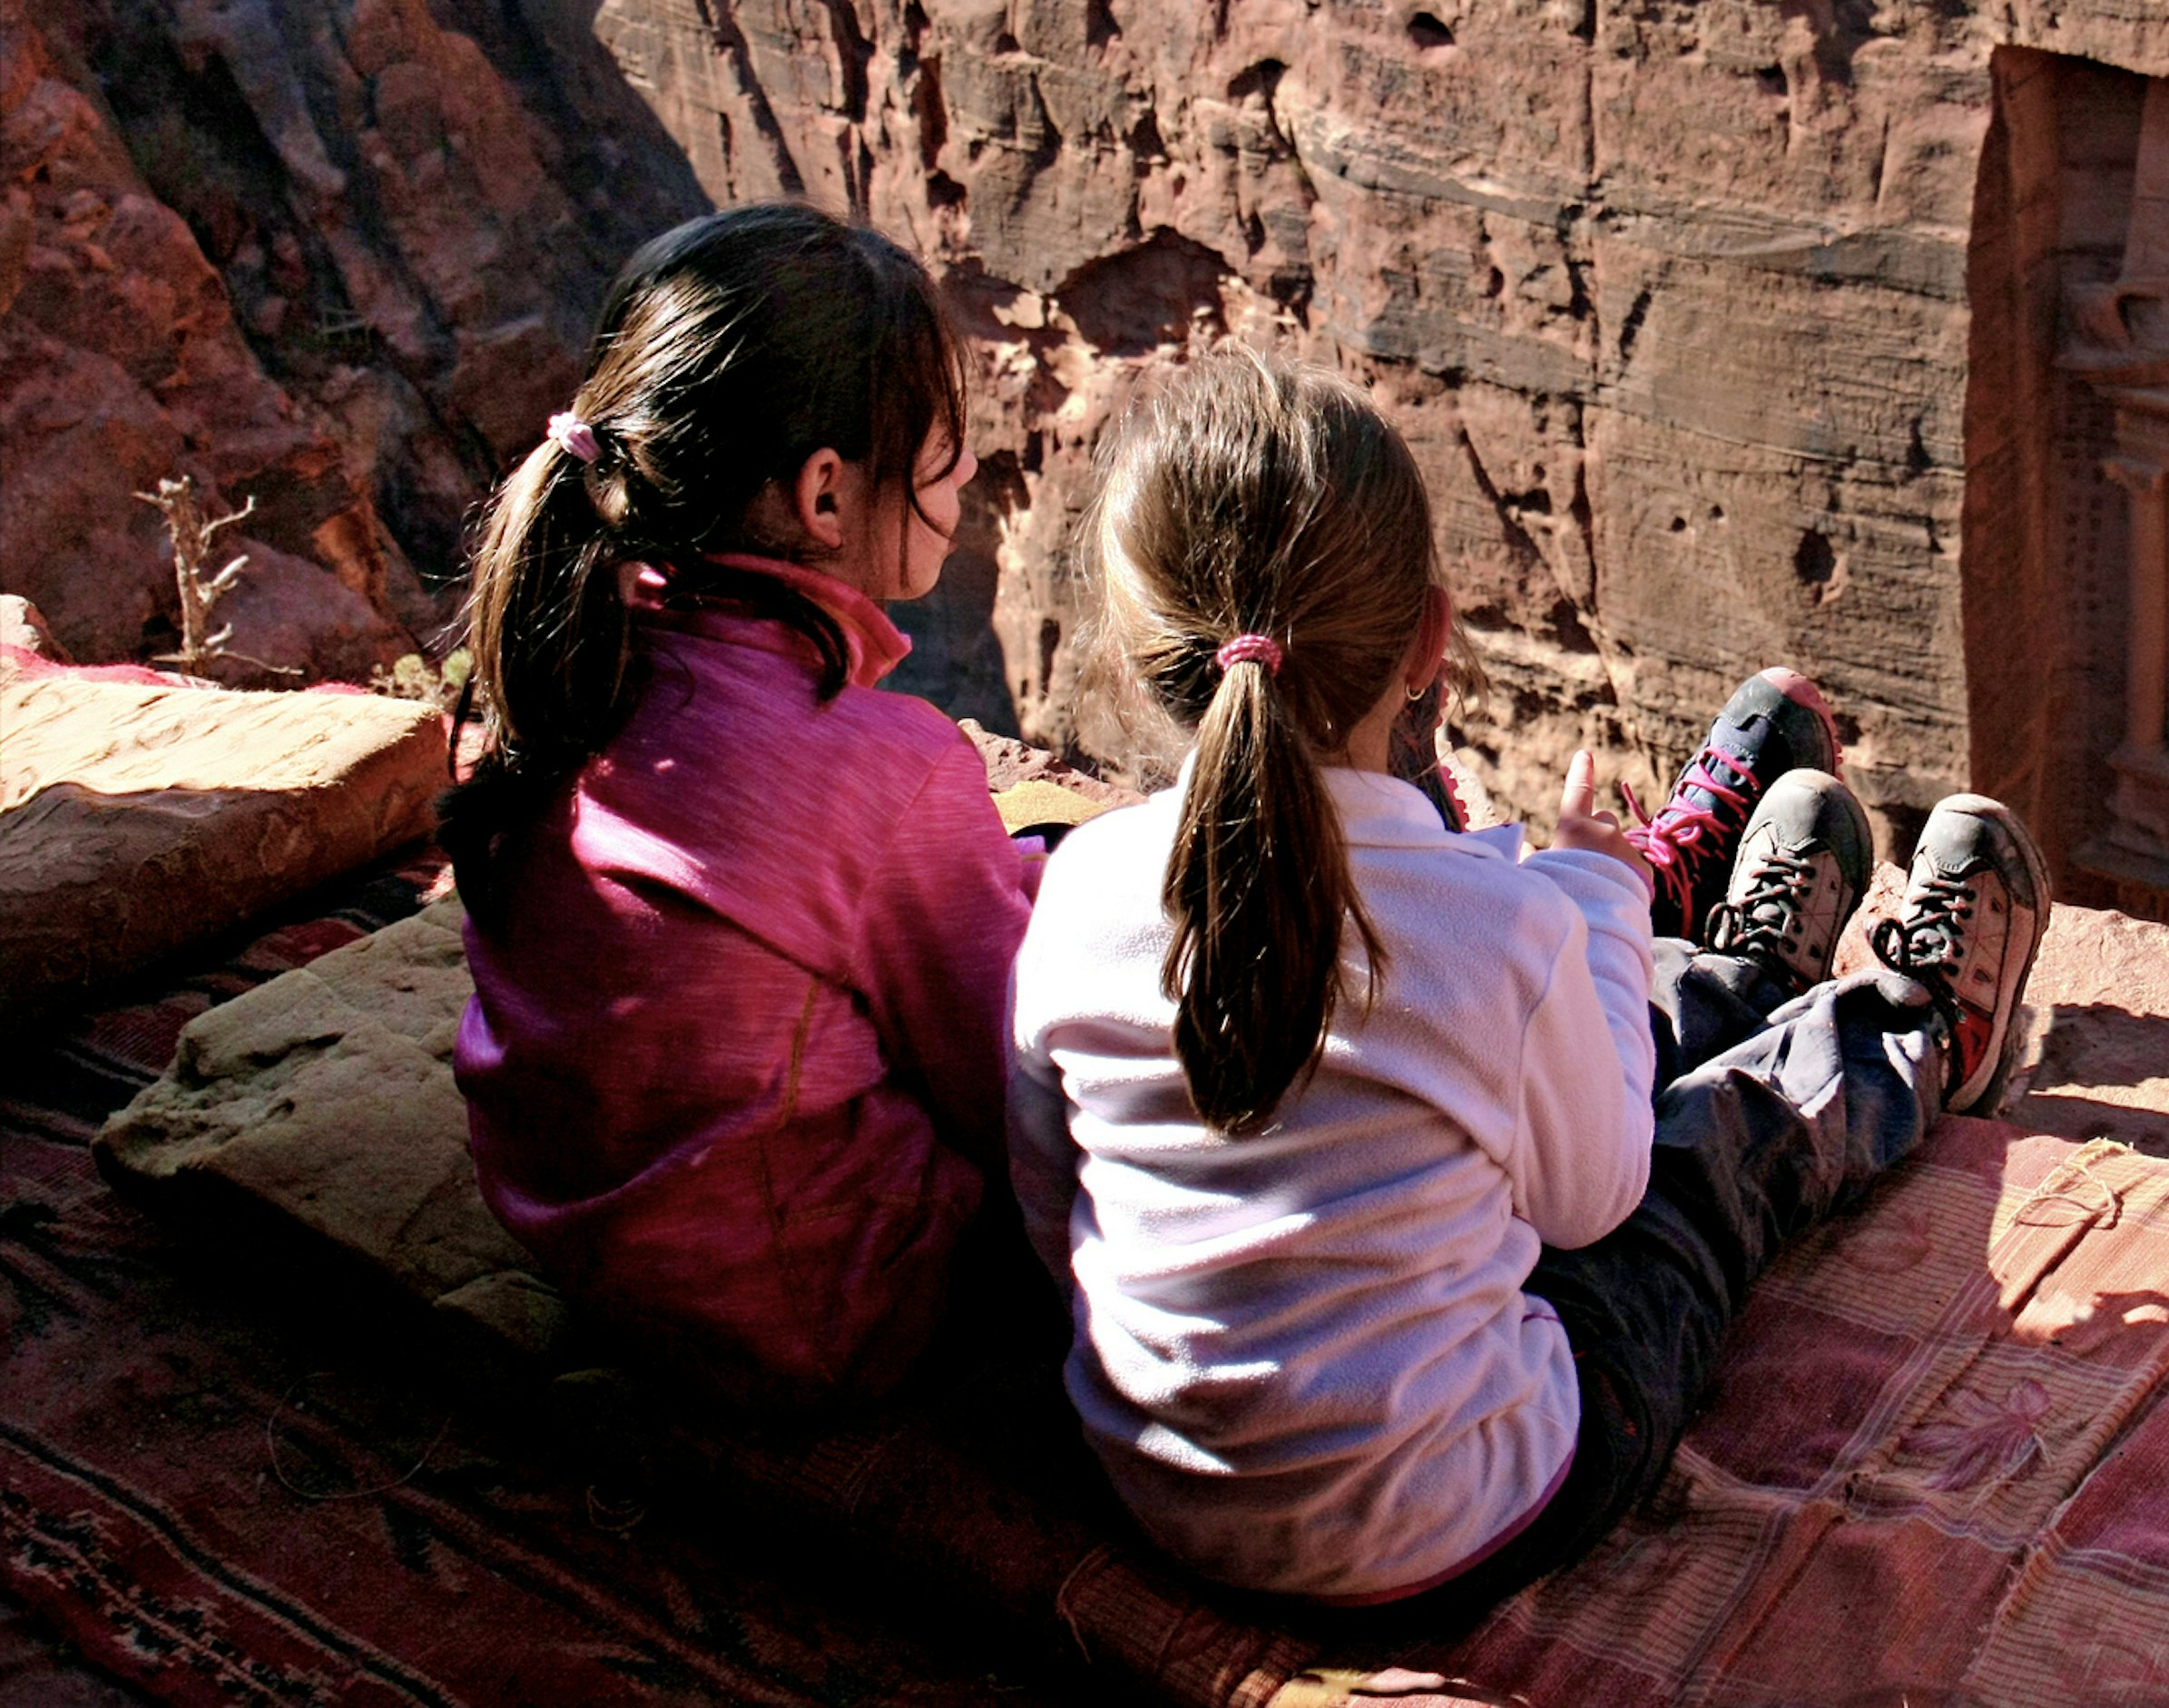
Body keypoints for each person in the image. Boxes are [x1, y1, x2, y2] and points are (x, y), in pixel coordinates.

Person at [1007, 351, 2053, 1624]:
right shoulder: (1497, 923)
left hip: (1166, 1500)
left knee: (1514, 1074)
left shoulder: (1073, 896)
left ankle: (1734, 969)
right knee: (1704, 1164)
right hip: (1469, 1516)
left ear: (1144, 659)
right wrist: (1593, 897)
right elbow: (1596, 1198)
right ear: (1430, 645)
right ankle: (1918, 1037)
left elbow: (1055, 1206)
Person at [443, 204, 1039, 1406]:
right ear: (825, 495)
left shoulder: (572, 656)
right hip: (812, 1306)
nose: (970, 472)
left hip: (566, 1215)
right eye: (942, 444)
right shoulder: (885, 766)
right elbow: (1009, 1096)